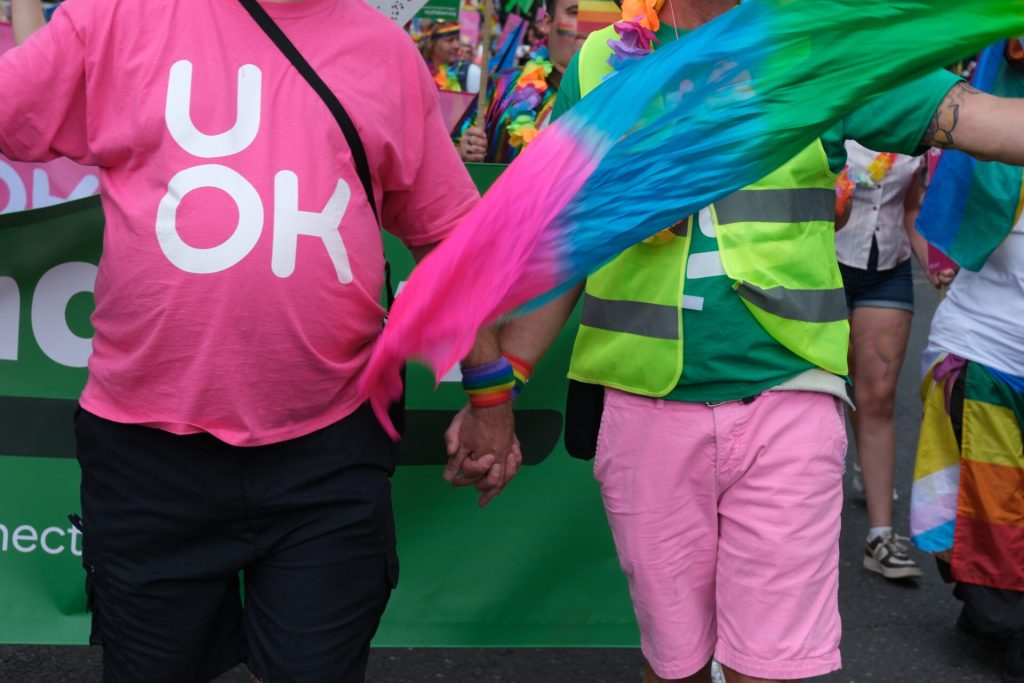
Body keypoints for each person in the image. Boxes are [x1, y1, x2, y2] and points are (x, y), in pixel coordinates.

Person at [458, 1, 1024, 681]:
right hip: (645, 408)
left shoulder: (817, 43)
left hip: (788, 396)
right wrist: (495, 393)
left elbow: (984, 121)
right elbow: (563, 247)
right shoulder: (602, 59)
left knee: (772, 670)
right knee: (675, 668)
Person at [0, 0, 513, 680]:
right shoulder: (119, 15)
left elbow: (452, 239)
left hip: (329, 451)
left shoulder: (384, 51)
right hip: (148, 453)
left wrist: (491, 395)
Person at [912, 219, 1024, 683]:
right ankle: (1007, 621)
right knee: (994, 501)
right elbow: (948, 219)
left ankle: (987, 606)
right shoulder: (1003, 153)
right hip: (989, 354)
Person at [834, 143, 928, 580]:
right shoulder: (838, 117)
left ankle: (880, 535)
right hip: (825, 265)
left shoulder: (916, 130)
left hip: (887, 270)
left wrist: (936, 265)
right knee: (822, 392)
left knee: (879, 397)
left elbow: (911, 211)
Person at [459, 0, 585, 163]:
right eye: (574, 12)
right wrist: (465, 152)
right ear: (547, 23)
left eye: (598, 15)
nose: (588, 25)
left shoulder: (620, 95)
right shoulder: (503, 86)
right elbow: (448, 154)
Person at [418, 18, 482, 93]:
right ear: (431, 44)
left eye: (458, 39)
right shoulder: (418, 73)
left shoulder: (471, 72)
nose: (457, 46)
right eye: (449, 40)